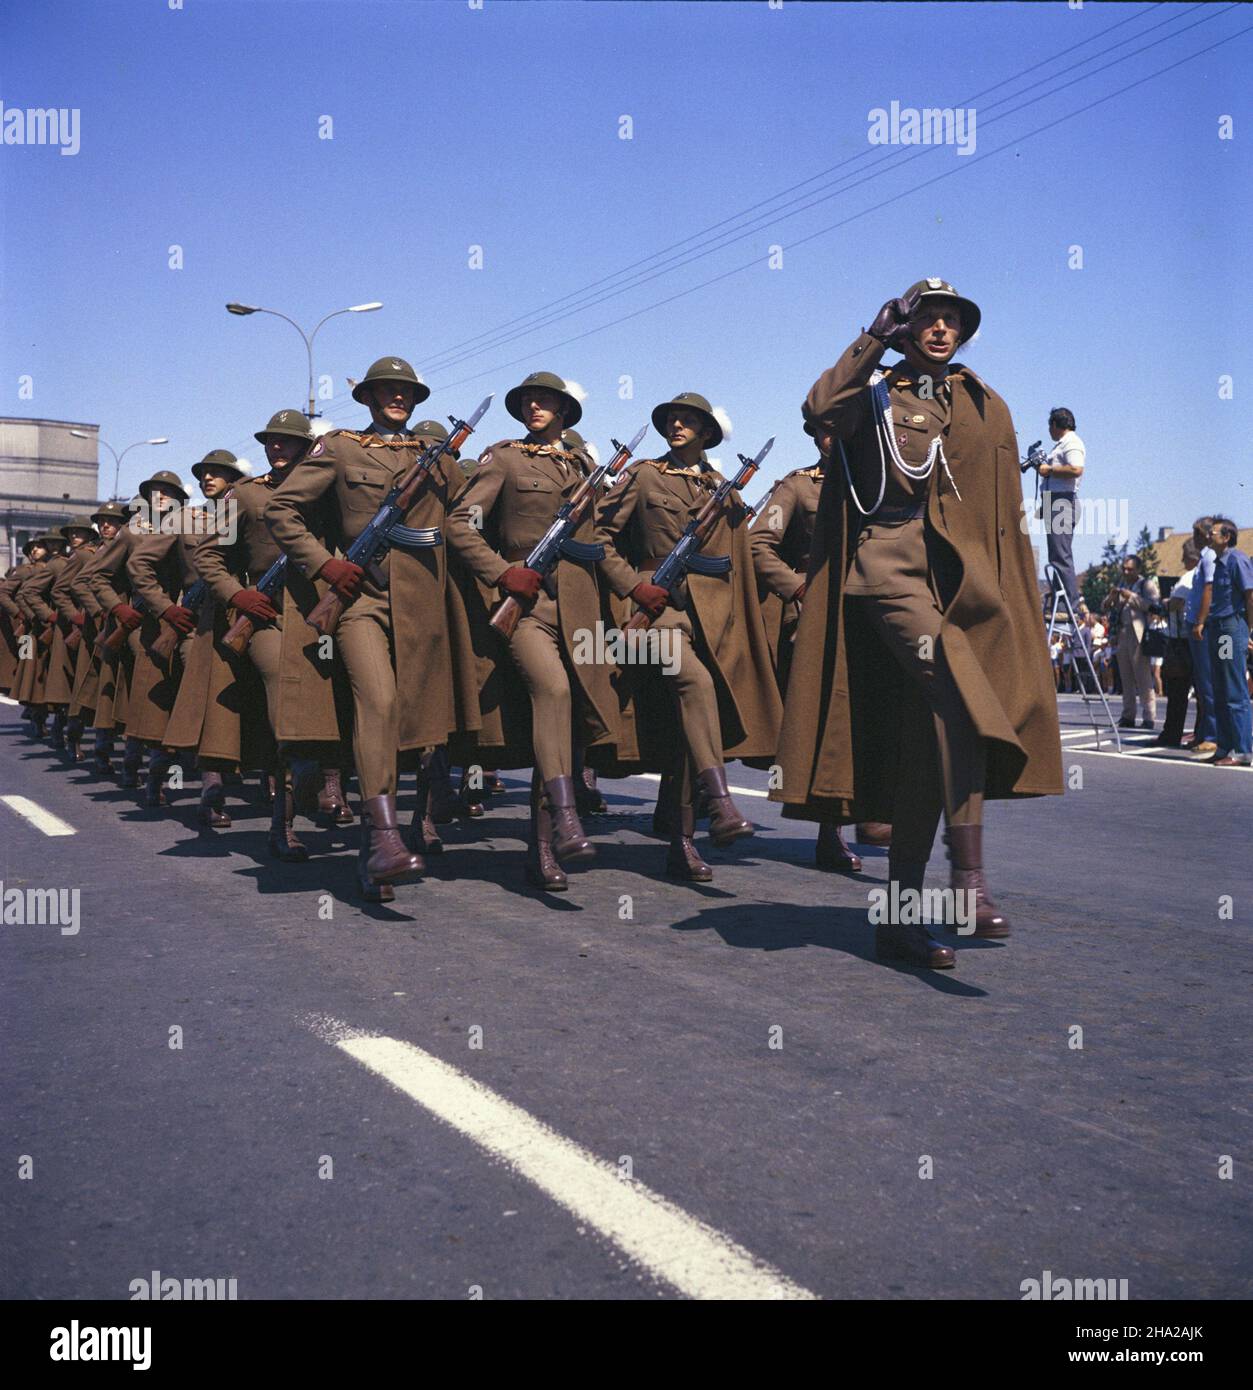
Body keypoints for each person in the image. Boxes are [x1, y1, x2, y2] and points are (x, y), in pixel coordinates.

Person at [773, 277, 1063, 968]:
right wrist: (872, 337)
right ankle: (968, 882)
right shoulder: (874, 391)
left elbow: (998, 510)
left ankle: (899, 917)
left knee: (919, 753)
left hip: (958, 583)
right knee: (958, 700)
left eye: (949, 320)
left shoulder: (982, 402)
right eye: (925, 319)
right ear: (905, 328)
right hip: (887, 569)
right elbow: (818, 408)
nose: (939, 330)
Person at [265, 356, 481, 900]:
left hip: (422, 606)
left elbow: (470, 515)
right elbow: (282, 510)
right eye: (387, 390)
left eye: (406, 392)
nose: (397, 398)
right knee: (378, 703)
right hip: (359, 600)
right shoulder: (340, 447)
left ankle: (386, 839)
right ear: (367, 397)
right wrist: (325, 564)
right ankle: (383, 837)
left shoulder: (437, 460)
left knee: (419, 728)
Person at [592, 391, 782, 883]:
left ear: (707, 433)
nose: (677, 426)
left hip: (712, 620)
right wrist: (634, 586)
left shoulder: (723, 489)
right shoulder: (643, 475)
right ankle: (720, 804)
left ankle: (681, 842)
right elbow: (598, 535)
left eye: (688, 420)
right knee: (693, 684)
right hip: (655, 614)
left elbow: (738, 562)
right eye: (672, 419)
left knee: (685, 733)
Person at [446, 371, 618, 892]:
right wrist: (502, 573)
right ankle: (565, 821)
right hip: (525, 603)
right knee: (553, 690)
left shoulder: (587, 467)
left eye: (545, 402)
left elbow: (603, 538)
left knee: (567, 720)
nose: (535, 408)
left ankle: (542, 847)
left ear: (564, 411)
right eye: (528, 402)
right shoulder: (503, 459)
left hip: (581, 607)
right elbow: (460, 523)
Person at [193, 413, 346, 855]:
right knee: (287, 695)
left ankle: (331, 786)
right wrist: (238, 597)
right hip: (268, 614)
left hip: (324, 611)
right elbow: (208, 557)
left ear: (306, 447)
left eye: (287, 442)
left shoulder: (328, 492)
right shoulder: (244, 494)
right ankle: (284, 825)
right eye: (270, 442)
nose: (276, 448)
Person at [750, 421, 869, 872]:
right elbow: (758, 543)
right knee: (825, 725)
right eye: (825, 431)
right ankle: (830, 834)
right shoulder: (798, 487)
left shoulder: (875, 487)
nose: (835, 439)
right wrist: (798, 589)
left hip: (871, 613)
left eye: (844, 431)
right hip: (815, 620)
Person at [1192, 516, 1253, 766]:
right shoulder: (1218, 562)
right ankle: (1225, 746)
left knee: (1232, 689)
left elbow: (1250, 596)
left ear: (1226, 537)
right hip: (1218, 628)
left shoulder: (1237, 559)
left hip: (1229, 628)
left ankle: (1241, 750)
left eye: (1214, 532)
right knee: (1219, 687)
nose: (1209, 536)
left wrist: (1249, 629)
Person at [1103, 554, 1159, 730]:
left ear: (1138, 569)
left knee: (1142, 677)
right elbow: (1104, 607)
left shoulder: (1146, 585)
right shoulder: (1121, 584)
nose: (1126, 572)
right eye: (1124, 568)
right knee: (1125, 677)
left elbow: (1154, 606)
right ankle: (1128, 714)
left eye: (1130, 569)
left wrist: (1131, 597)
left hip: (1139, 633)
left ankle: (1149, 716)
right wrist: (1112, 597)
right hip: (1122, 633)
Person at [1039, 406, 1085, 611]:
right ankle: (1061, 604)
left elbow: (1076, 469)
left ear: (1056, 425)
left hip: (1063, 502)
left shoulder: (1072, 443)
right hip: (1056, 502)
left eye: (1050, 425)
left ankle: (1069, 606)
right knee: (1057, 555)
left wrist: (1049, 470)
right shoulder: (1064, 444)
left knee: (1061, 556)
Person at [1158, 540, 1199, 748]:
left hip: (1180, 640)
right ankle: (1201, 733)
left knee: (1176, 690)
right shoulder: (1204, 575)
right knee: (1201, 691)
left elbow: (1175, 605)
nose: (1182, 560)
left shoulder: (1188, 578)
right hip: (1195, 639)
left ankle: (1171, 733)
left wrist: (1166, 602)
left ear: (1192, 558)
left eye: (1184, 556)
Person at [1183, 517, 1218, 755]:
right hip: (1195, 624)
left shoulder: (1209, 557)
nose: (1194, 539)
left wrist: (1200, 621)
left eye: (1197, 534)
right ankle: (1204, 732)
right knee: (1201, 684)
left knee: (1207, 684)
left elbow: (1208, 589)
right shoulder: (1205, 557)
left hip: (1202, 626)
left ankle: (1212, 734)